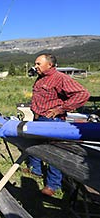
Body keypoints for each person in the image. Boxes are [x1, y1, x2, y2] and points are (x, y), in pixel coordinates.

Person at [26, 53, 90, 196]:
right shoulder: (41, 78)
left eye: (38, 64)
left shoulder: (60, 78)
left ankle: (53, 185)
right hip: (38, 118)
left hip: (52, 121)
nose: (35, 67)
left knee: (54, 152)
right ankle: (35, 169)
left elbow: (83, 94)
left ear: (50, 65)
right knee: (35, 144)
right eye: (35, 64)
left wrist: (60, 109)